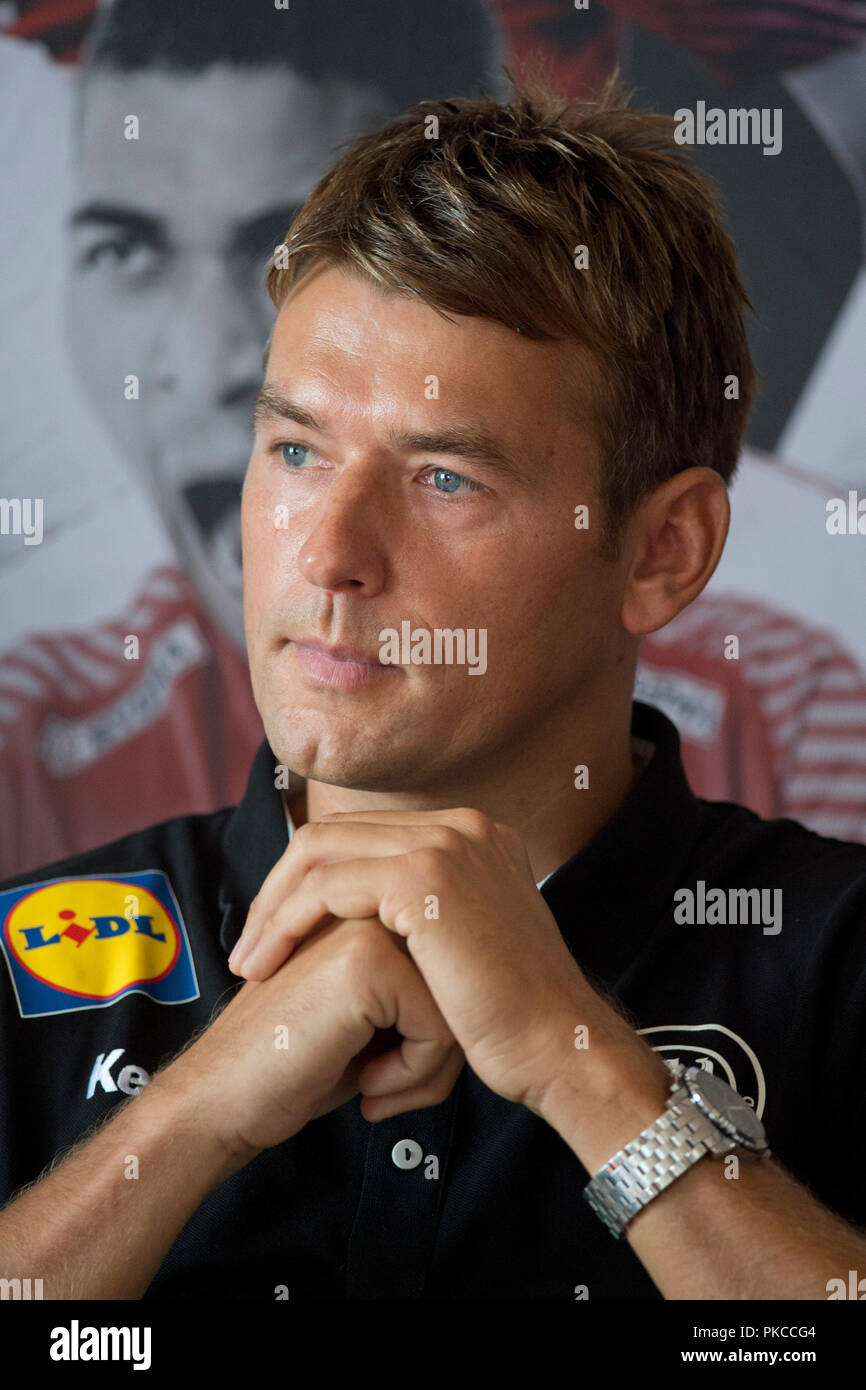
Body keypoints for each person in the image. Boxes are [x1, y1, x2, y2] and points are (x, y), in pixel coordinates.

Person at [2, 72, 866, 1302]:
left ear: (661, 550)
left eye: (446, 478)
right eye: (296, 449)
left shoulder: (835, 959)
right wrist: (190, 1115)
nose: (326, 553)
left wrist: (586, 1073)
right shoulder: (30, 950)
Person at [0, 0, 504, 876]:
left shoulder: (774, 705)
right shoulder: (24, 750)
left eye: (289, 250)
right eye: (127, 250)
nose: (209, 361)